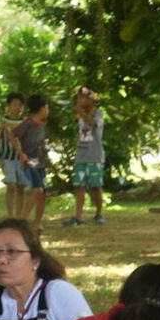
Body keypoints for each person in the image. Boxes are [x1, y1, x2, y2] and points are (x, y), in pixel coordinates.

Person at [67, 85, 105, 227]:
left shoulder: (98, 113)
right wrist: (80, 113)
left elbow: (93, 123)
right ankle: (78, 216)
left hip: (95, 155)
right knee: (79, 185)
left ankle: (99, 213)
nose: (80, 100)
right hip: (81, 155)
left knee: (96, 186)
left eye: (83, 97)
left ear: (91, 100)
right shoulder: (80, 115)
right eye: (79, 98)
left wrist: (81, 113)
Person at [12, 94, 49, 229]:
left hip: (41, 163)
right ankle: (21, 220)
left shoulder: (42, 125)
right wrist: (21, 153)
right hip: (30, 162)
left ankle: (37, 222)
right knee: (37, 190)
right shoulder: (28, 123)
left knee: (43, 193)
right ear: (42, 109)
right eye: (46, 107)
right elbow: (12, 135)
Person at [0, 92, 26, 218]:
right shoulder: (3, 121)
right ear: (8, 106)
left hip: (20, 159)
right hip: (7, 158)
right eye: (14, 104)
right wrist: (0, 158)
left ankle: (19, 216)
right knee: (11, 186)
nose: (17, 107)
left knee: (21, 187)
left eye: (20, 105)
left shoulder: (24, 122)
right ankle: (10, 215)